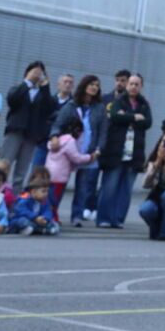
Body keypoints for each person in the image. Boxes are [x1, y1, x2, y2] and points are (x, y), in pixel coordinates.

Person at [95, 72, 152, 229]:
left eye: (137, 84)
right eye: (131, 84)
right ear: (127, 85)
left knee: (126, 188)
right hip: (115, 150)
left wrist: (126, 116)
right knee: (110, 186)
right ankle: (104, 218)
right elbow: (114, 116)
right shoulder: (118, 101)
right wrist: (135, 118)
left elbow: (148, 122)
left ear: (141, 86)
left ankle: (118, 218)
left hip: (134, 153)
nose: (133, 87)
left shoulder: (144, 104)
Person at [54, 74, 107, 226]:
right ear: (84, 86)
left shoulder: (100, 108)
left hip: (88, 153)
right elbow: (58, 124)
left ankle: (76, 216)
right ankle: (52, 212)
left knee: (82, 187)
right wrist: (54, 137)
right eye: (91, 84)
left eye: (97, 85)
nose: (94, 87)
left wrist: (98, 150)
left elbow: (103, 132)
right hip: (69, 151)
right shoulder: (72, 105)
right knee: (60, 184)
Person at [0, 61, 57, 182]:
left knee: (22, 170)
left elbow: (49, 109)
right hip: (15, 131)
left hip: (31, 135)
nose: (37, 74)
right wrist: (27, 82)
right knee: (4, 164)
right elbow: (12, 100)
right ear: (27, 72)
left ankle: (15, 196)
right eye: (34, 71)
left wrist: (45, 87)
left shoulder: (43, 94)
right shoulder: (18, 88)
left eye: (40, 72)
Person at [44, 117, 92, 222]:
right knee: (55, 199)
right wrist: (90, 157)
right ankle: (53, 218)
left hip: (48, 173)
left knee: (49, 197)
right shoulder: (70, 141)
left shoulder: (56, 140)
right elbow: (76, 158)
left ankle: (51, 216)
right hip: (60, 176)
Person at [11, 170, 58, 235]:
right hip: (26, 219)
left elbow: (48, 211)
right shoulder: (25, 198)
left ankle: (39, 230)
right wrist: (34, 217)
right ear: (34, 192)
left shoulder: (45, 201)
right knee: (22, 221)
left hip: (38, 220)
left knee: (54, 223)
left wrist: (45, 218)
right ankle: (38, 230)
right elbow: (21, 210)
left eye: (47, 191)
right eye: (43, 191)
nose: (46, 194)